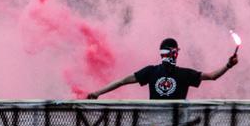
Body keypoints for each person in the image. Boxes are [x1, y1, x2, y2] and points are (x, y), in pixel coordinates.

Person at [86, 37, 238, 100]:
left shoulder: (151, 72)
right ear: (174, 53)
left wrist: (97, 93)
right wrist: (229, 65)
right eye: (176, 51)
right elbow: (212, 76)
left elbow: (121, 82)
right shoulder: (183, 74)